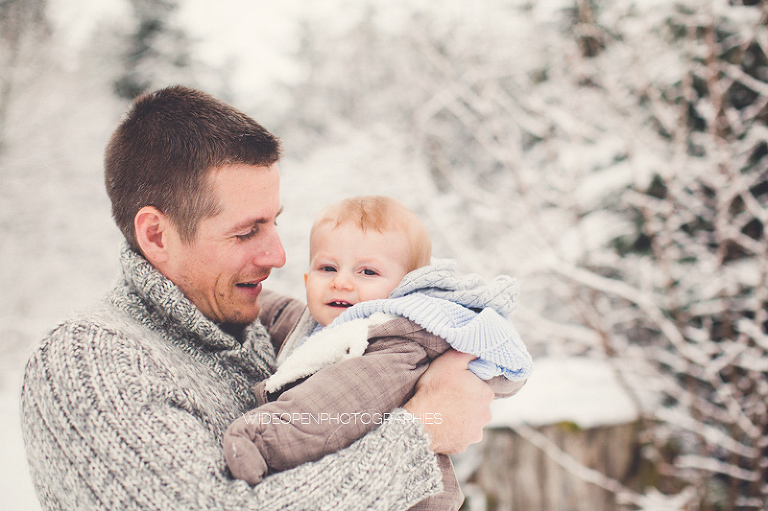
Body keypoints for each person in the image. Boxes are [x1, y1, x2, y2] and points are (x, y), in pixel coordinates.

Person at [19, 86, 498, 510]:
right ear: (157, 236)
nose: (279, 255)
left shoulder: (271, 326)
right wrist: (420, 435)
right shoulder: (89, 358)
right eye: (247, 231)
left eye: (274, 222)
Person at [224, 196, 532, 510]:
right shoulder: (330, 325)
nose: (341, 282)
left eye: (367, 272)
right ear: (307, 279)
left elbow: (333, 404)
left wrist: (262, 439)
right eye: (327, 268)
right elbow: (279, 315)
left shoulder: (393, 344)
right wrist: (225, 291)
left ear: (406, 288)